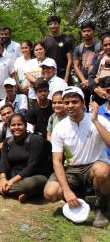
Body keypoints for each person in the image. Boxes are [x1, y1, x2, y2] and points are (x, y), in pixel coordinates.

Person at [43, 87, 110, 228]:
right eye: (66, 103)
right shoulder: (60, 128)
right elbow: (57, 161)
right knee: (50, 193)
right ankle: (77, 196)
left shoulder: (99, 120)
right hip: (71, 170)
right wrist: (66, 192)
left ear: (83, 103)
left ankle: (101, 207)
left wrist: (96, 122)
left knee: (103, 170)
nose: (70, 106)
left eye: (74, 102)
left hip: (93, 166)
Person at [0, 114, 50, 202]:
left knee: (29, 184)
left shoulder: (35, 139)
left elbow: (32, 166)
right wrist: (2, 179)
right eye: (13, 125)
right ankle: (24, 192)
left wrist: (11, 181)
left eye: (19, 124)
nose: (16, 127)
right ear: (9, 127)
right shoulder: (8, 141)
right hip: (14, 173)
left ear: (25, 126)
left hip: (34, 176)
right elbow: (3, 162)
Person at [42, 15, 74, 83]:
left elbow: (70, 60)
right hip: (49, 75)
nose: (53, 26)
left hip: (63, 75)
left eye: (55, 23)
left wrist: (66, 77)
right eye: (50, 24)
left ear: (59, 24)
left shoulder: (67, 40)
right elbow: (42, 59)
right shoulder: (44, 40)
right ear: (48, 26)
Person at [88, 33, 110, 105]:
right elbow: (91, 77)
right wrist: (96, 89)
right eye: (105, 45)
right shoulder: (100, 58)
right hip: (100, 99)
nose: (108, 47)